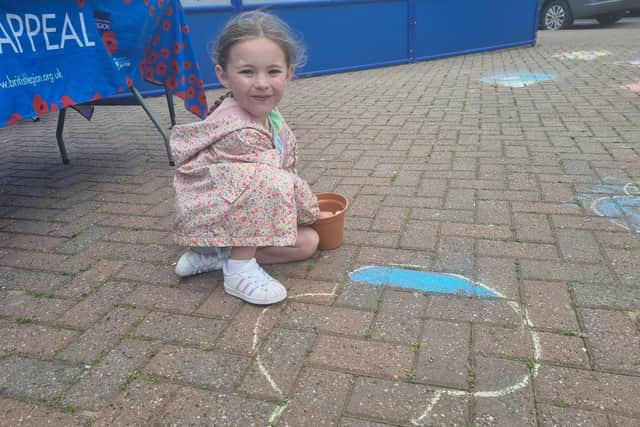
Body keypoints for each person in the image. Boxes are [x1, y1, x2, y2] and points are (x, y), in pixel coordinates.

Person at [170, 11, 321, 305]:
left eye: (273, 72)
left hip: (226, 216)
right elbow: (276, 181)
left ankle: (215, 254)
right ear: (223, 75)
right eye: (247, 72)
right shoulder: (238, 130)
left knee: (307, 242)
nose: (262, 83)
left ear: (289, 73)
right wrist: (312, 211)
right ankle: (239, 269)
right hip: (217, 215)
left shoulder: (268, 115)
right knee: (273, 187)